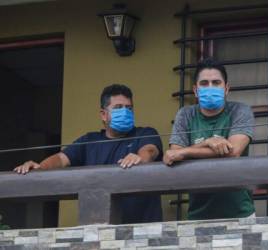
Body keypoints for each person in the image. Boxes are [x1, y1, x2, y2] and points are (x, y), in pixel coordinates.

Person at [14, 84, 163, 224]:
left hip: (144, 229)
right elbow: (61, 158)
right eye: (118, 107)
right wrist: (40, 167)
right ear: (103, 114)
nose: (125, 112)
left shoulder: (145, 133)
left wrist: (140, 158)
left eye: (129, 108)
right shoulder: (89, 141)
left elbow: (150, 150)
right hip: (99, 231)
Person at [163, 58, 255, 220]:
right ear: (196, 90)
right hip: (198, 214)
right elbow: (173, 155)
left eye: (216, 82)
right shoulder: (186, 114)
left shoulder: (240, 110)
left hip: (241, 213)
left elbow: (233, 151)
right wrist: (207, 142)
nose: (210, 87)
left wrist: (187, 152)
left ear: (226, 89)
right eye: (204, 83)